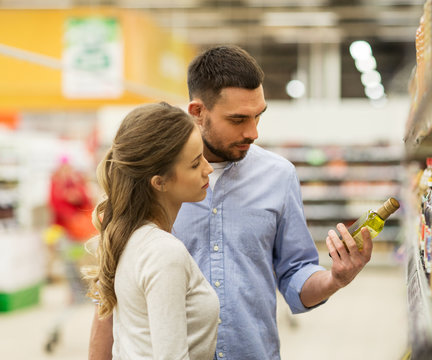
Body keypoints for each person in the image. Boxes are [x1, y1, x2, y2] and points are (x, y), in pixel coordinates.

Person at [89, 46, 372, 360]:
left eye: (258, 116)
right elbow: (111, 294)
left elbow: (295, 272)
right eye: (238, 119)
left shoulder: (279, 176)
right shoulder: (150, 184)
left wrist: (334, 278)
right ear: (198, 111)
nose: (253, 132)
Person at [84, 102, 219, 359]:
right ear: (160, 182)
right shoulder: (164, 252)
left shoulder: (131, 239)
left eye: (203, 156)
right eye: (194, 164)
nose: (208, 168)